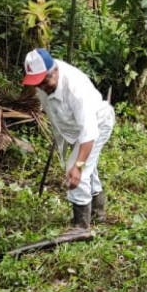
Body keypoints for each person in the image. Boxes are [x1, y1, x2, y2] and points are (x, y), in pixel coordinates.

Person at [23, 48, 115, 235]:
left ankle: (81, 226)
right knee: (88, 168)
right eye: (37, 83)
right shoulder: (44, 82)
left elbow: (89, 133)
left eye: (44, 81)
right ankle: (98, 212)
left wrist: (77, 166)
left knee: (77, 169)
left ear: (55, 70)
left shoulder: (75, 88)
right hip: (72, 130)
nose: (41, 86)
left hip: (97, 125)